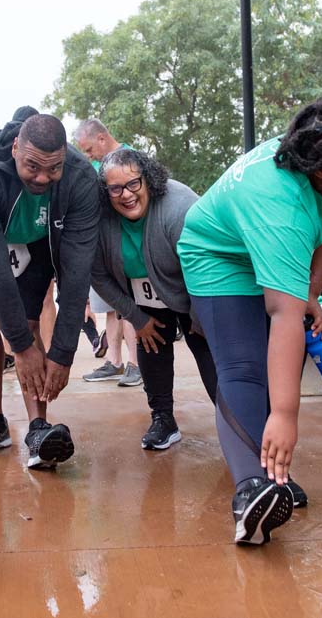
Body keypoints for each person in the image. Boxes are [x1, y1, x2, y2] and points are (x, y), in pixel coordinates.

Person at [178, 97, 322, 545]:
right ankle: (252, 490)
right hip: (219, 256)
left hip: (265, 245)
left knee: (277, 365)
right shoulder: (280, 207)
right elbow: (282, 315)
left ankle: (271, 472)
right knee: (244, 368)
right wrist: (286, 416)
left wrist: (312, 290)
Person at [0, 108, 101, 468]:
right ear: (16, 147)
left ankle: (38, 426)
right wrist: (19, 347)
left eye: (54, 168)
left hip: (38, 241)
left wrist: (64, 352)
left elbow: (77, 271)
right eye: (33, 166)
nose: (42, 177)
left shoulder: (81, 178)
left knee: (30, 320)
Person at [90, 148, 219, 450]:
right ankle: (163, 419)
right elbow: (96, 274)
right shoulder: (99, 219)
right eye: (115, 188)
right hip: (143, 294)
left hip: (193, 289)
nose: (126, 195)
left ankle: (236, 421)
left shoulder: (180, 208)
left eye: (134, 183)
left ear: (149, 179)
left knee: (211, 356)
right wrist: (136, 317)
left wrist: (202, 320)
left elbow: (207, 270)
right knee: (150, 344)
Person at [74, 118, 141, 387]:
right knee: (110, 309)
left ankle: (136, 364)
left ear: (102, 138)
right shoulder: (93, 167)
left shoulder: (129, 158)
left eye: (89, 149)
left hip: (124, 243)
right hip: (100, 245)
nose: (88, 156)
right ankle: (114, 361)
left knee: (127, 305)